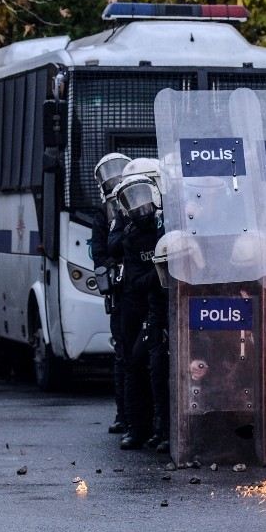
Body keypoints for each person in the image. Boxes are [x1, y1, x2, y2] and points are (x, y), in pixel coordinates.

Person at [112, 172, 165, 450]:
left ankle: (162, 430)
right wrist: (159, 274)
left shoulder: (163, 228)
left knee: (160, 368)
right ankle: (137, 427)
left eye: (143, 199)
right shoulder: (130, 236)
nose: (139, 207)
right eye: (132, 202)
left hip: (161, 307)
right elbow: (136, 279)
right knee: (134, 363)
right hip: (137, 307)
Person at [91, 152, 131, 434]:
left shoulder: (140, 206)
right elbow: (99, 251)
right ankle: (124, 414)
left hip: (138, 290)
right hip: (120, 291)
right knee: (123, 355)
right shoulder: (103, 214)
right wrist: (112, 268)